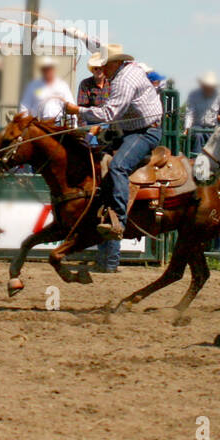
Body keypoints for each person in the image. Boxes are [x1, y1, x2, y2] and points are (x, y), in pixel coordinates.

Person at [63, 47, 163, 272]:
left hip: (144, 132)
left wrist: (76, 110)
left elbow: (109, 114)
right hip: (129, 130)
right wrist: (72, 31)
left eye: (105, 66)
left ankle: (119, 219)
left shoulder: (122, 82)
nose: (103, 71)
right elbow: (94, 41)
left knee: (118, 166)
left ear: (115, 64)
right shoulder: (130, 69)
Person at [184, 71, 220, 157]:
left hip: (212, 126)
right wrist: (187, 128)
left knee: (216, 138)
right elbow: (190, 113)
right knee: (198, 135)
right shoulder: (194, 95)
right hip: (197, 126)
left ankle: (214, 160)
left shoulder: (219, 95)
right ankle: (197, 159)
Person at [19, 55, 75, 120]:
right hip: (37, 123)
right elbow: (25, 106)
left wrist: (74, 124)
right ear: (42, 70)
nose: (48, 71)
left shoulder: (62, 86)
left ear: (53, 69)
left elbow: (71, 105)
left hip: (57, 123)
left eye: (49, 69)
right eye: (45, 69)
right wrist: (24, 123)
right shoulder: (33, 86)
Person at [75, 51, 110, 144]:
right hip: (91, 124)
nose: (98, 70)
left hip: (109, 124)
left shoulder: (112, 84)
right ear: (92, 70)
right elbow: (81, 110)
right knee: (90, 145)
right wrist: (84, 129)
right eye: (96, 68)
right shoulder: (85, 84)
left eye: (101, 68)